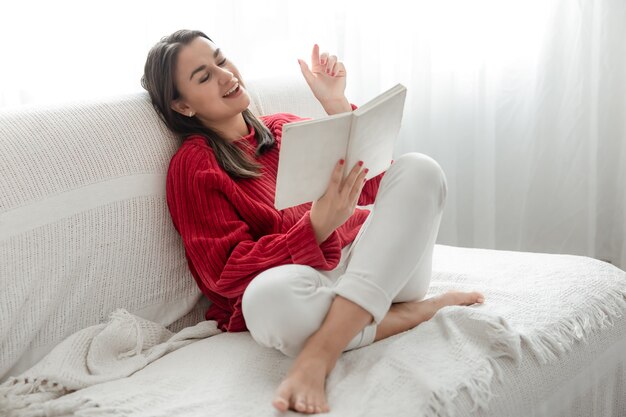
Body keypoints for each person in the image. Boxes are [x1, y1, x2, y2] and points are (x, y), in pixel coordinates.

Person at [141, 29, 485, 415]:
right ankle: (404, 314)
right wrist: (315, 228)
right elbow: (223, 274)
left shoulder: (286, 128)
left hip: (378, 270)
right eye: (203, 76)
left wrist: (336, 103)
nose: (225, 75)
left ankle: (320, 352)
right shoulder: (194, 165)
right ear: (183, 107)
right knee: (265, 302)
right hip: (308, 290)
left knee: (420, 169)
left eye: (220, 59)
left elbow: (375, 189)